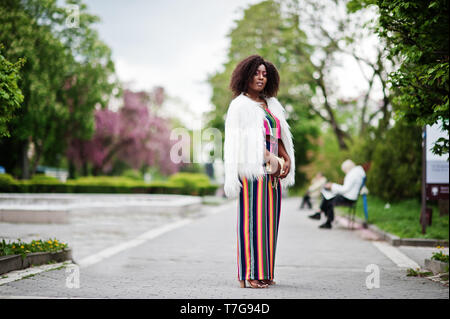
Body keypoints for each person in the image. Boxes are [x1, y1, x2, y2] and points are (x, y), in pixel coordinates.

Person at [223, 55, 295, 289]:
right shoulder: (241, 105)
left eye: (264, 74)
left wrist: (285, 157)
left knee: (269, 223)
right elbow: (248, 142)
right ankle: (251, 273)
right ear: (246, 75)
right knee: (252, 222)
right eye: (256, 73)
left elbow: (277, 134)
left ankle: (265, 271)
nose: (261, 77)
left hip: (272, 174)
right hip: (254, 173)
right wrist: (270, 158)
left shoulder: (271, 104)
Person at [308, 159, 366, 229]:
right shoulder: (356, 173)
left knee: (328, 200)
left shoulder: (352, 175)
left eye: (344, 171)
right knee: (327, 197)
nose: (345, 173)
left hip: (348, 199)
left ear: (347, 168)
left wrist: (332, 186)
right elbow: (346, 189)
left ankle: (325, 218)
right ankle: (323, 217)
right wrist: (333, 187)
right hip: (349, 197)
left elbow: (345, 189)